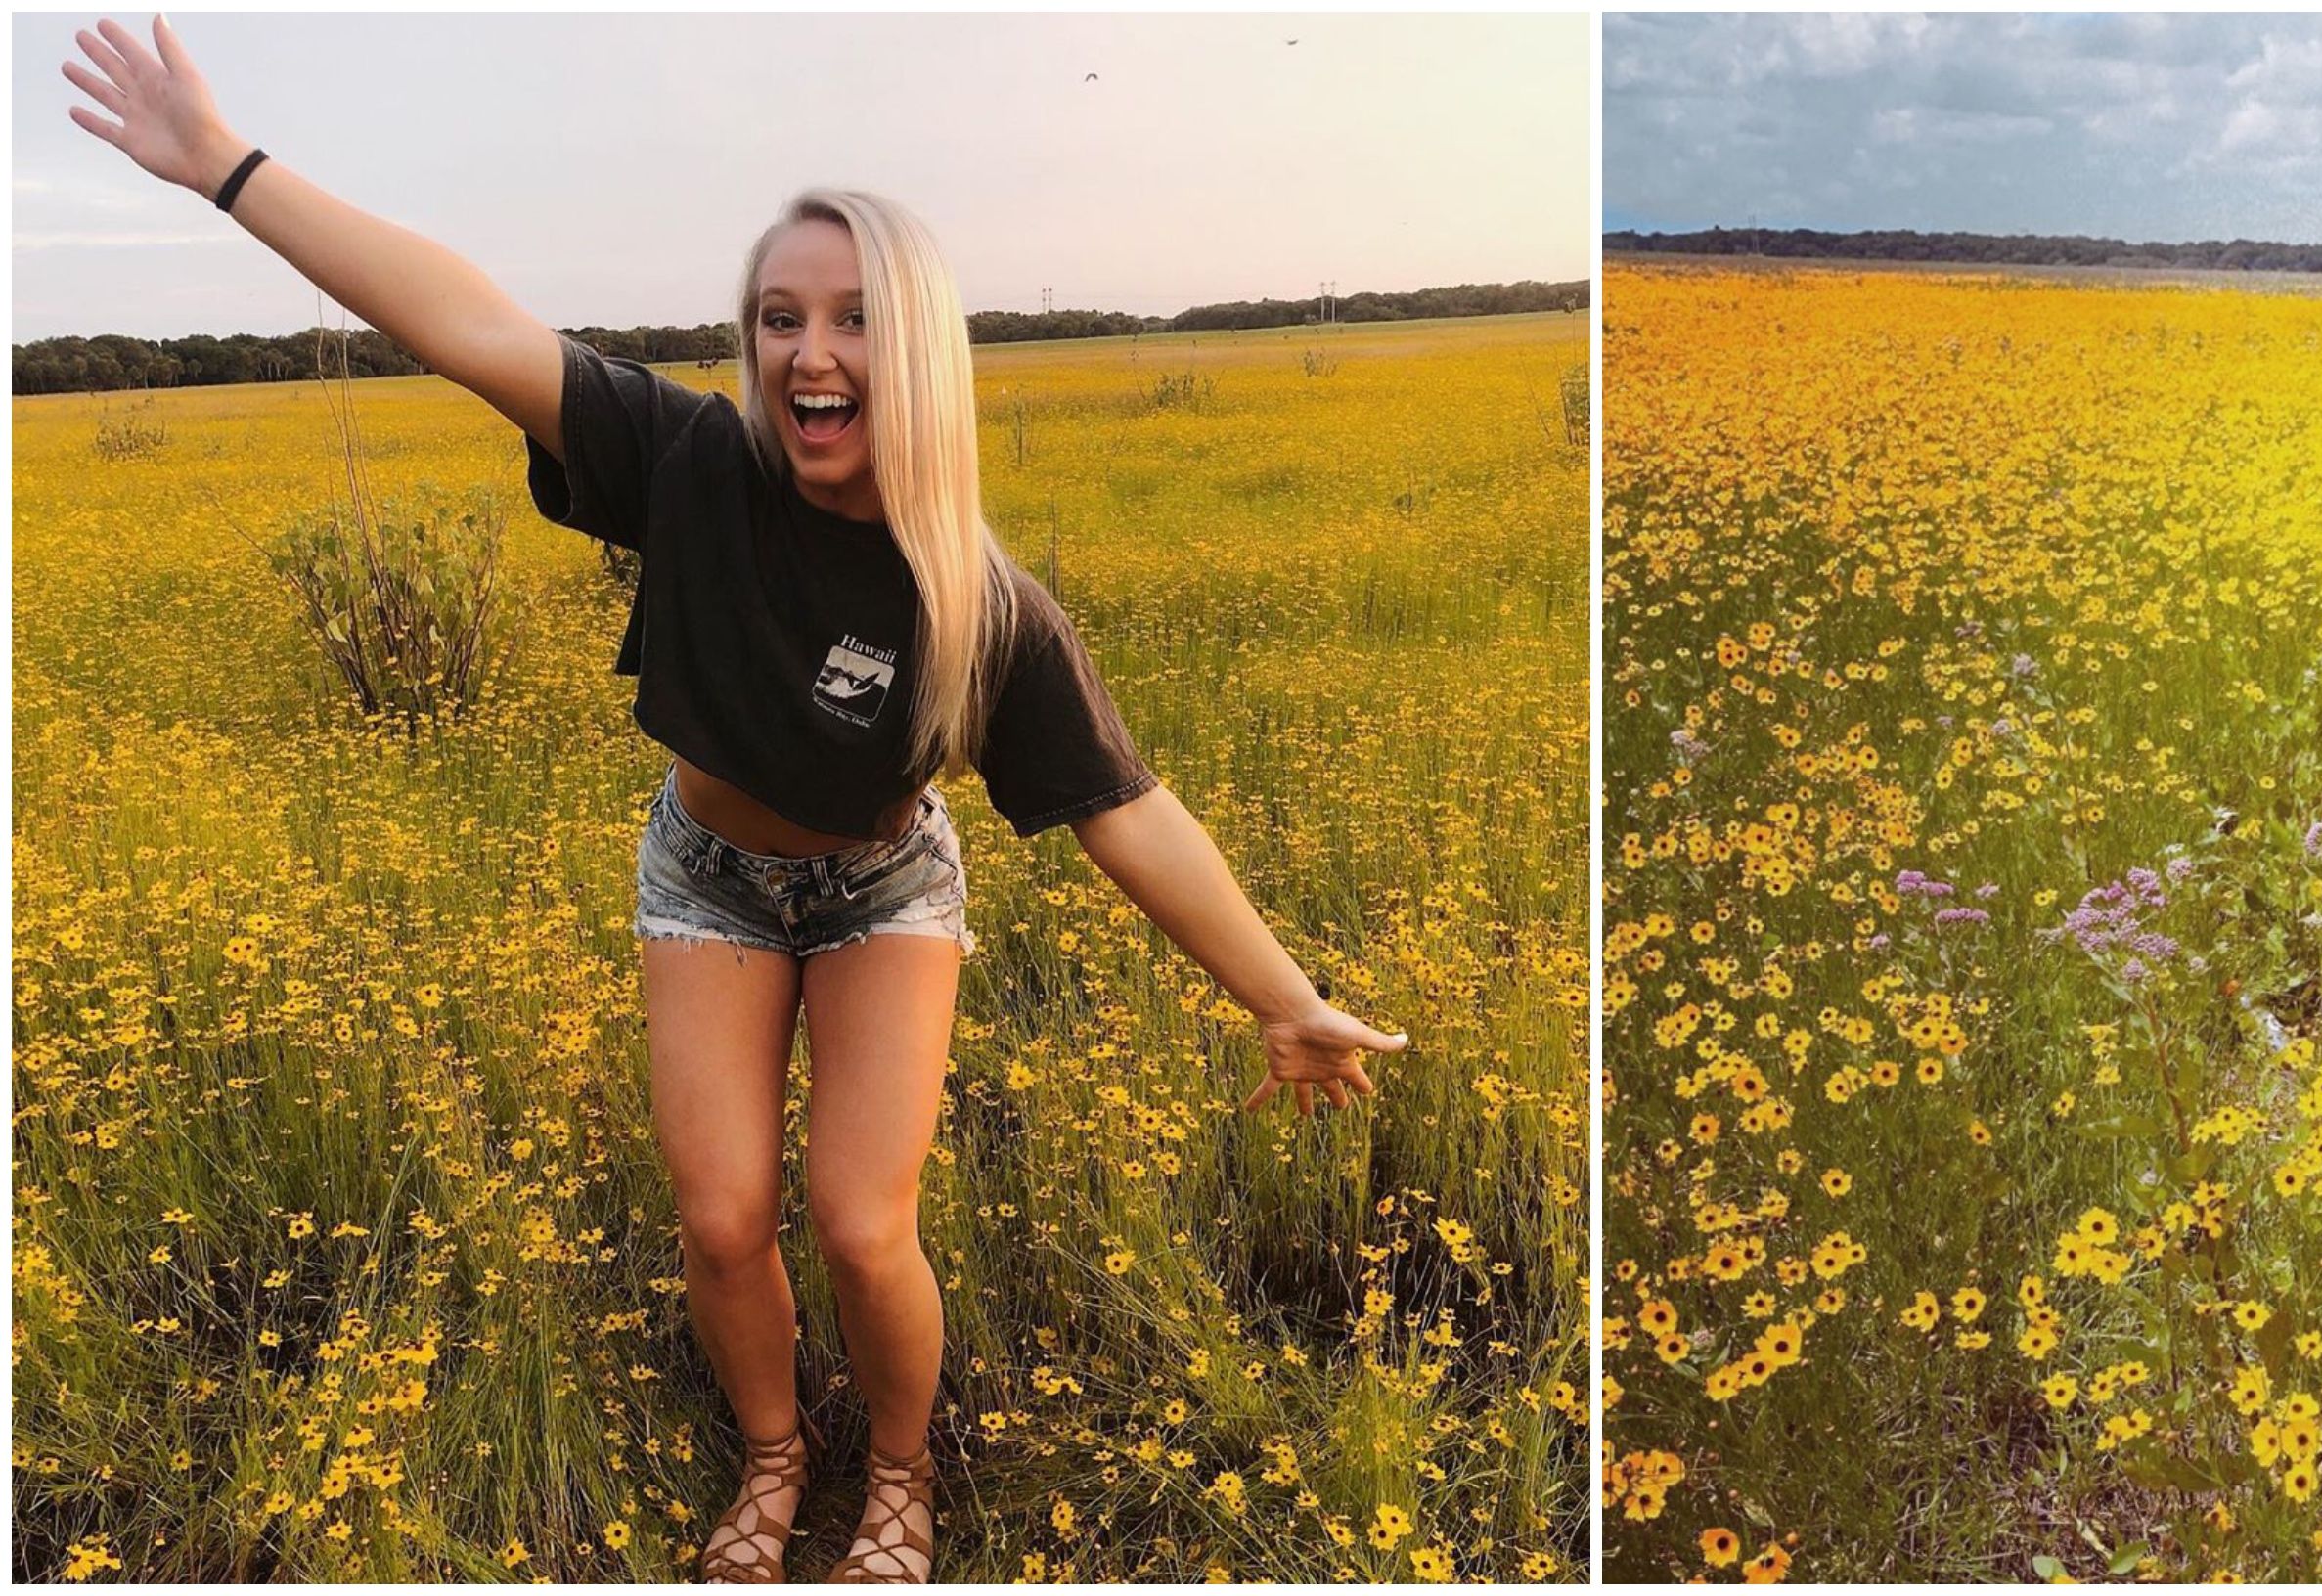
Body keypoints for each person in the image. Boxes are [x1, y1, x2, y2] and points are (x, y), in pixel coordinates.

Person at [63, 15, 1409, 1583]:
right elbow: (463, 323)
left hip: (881, 894)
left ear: (914, 349)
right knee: (720, 1219)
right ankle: (776, 1458)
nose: (809, 352)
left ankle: (898, 1479)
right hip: (705, 875)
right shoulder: (687, 462)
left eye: (849, 318)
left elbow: (1126, 806)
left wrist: (1283, 996)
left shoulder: (980, 604)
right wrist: (226, 168)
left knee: (858, 1224)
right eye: (779, 317)